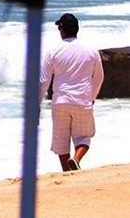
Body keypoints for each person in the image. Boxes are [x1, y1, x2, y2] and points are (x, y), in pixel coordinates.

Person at [40, 13, 104, 171]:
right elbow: (99, 78)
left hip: (60, 101)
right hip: (82, 100)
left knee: (61, 142)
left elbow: (43, 81)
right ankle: (76, 159)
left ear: (61, 30)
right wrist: (92, 97)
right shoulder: (91, 51)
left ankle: (67, 172)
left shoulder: (53, 51)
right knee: (84, 138)